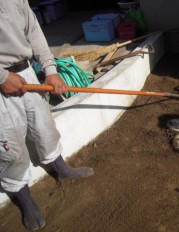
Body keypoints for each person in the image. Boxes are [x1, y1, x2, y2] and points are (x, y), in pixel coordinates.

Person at [0, 1, 94, 230]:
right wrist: (1, 77)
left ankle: (61, 170)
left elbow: (33, 30)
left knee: (44, 126)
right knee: (10, 147)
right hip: (2, 83)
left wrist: (50, 71)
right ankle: (24, 198)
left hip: (27, 72)